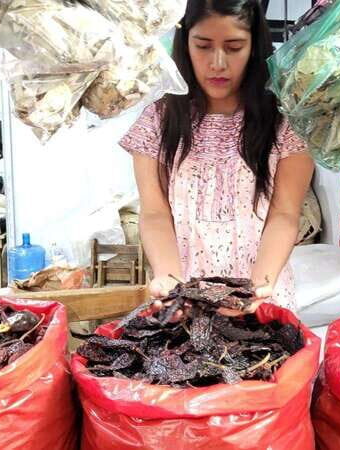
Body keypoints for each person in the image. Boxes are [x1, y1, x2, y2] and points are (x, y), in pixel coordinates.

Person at [119, 0, 314, 316]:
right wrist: (171, 283)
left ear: (254, 46)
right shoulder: (158, 121)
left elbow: (285, 214)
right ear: (185, 44)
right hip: (181, 303)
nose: (218, 62)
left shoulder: (286, 121)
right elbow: (155, 213)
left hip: (261, 298)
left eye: (234, 46)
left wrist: (255, 289)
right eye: (203, 46)